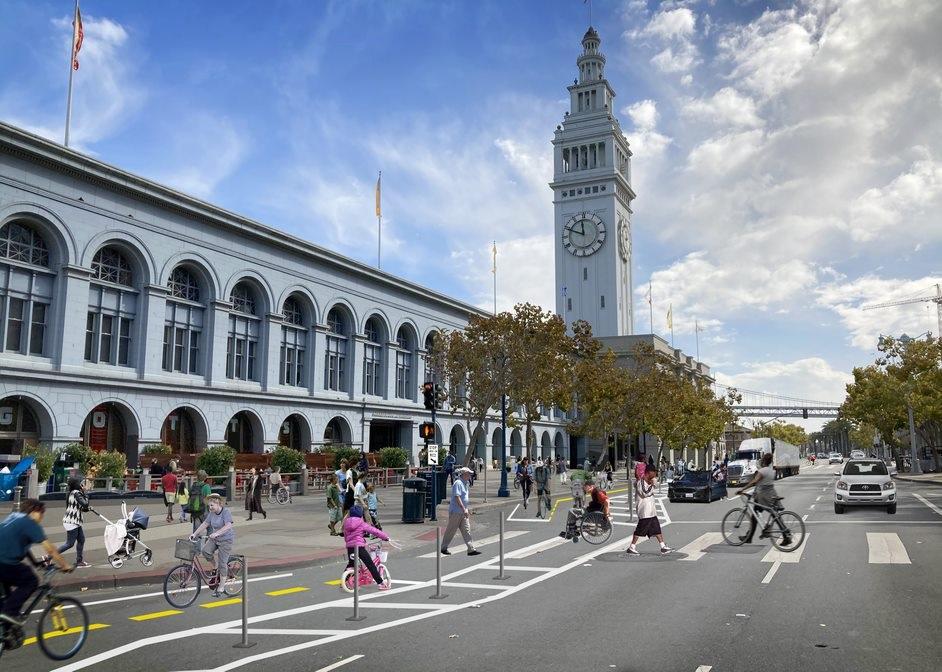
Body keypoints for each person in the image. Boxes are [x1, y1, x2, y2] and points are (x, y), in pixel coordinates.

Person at [0, 499, 72, 625]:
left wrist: (35, 563)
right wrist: (65, 565)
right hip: (4, 563)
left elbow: (20, 544)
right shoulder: (30, 523)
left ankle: (5, 632)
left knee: (7, 600)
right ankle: (9, 614)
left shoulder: (13, 517)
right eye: (41, 513)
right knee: (31, 581)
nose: (42, 517)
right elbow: (50, 549)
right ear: (34, 511)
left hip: (3, 563)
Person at [738, 453, 792, 546]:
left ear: (763, 461)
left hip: (763, 496)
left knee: (755, 515)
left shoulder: (762, 471)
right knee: (775, 516)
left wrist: (742, 489)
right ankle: (785, 536)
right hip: (772, 494)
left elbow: (754, 482)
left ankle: (749, 537)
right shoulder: (771, 471)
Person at [190, 494, 233, 597]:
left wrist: (217, 533)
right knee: (205, 551)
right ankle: (215, 565)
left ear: (218, 503)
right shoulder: (212, 513)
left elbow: (228, 525)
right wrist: (195, 534)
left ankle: (221, 586)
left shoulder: (226, 512)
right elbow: (205, 523)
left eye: (212, 505)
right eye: (209, 505)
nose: (210, 508)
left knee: (223, 563)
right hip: (215, 539)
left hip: (226, 540)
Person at [626, 467, 672, 555]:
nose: (655, 475)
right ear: (649, 472)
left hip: (651, 512)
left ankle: (663, 547)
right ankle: (632, 547)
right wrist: (653, 485)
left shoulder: (648, 482)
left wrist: (652, 484)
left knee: (657, 529)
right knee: (640, 529)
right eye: (654, 472)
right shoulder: (641, 482)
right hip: (645, 512)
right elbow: (645, 493)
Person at [342, 505, 390, 589]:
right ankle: (381, 583)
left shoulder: (346, 523)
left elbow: (345, 536)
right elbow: (374, 531)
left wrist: (348, 543)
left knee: (351, 564)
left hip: (350, 547)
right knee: (370, 564)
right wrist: (385, 537)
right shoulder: (361, 523)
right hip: (359, 547)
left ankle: (344, 582)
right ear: (361, 515)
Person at [440, 467, 480, 556]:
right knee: (451, 530)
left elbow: (464, 498)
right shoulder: (458, 483)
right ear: (464, 474)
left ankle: (471, 549)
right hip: (456, 511)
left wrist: (466, 509)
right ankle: (443, 547)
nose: (470, 475)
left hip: (463, 511)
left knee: (467, 530)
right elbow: (457, 497)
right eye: (469, 473)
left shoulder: (465, 483)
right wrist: (463, 508)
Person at [561, 478, 609, 542]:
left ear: (591, 486)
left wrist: (606, 514)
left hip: (592, 514)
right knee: (577, 509)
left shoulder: (597, 492)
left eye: (585, 487)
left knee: (571, 511)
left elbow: (607, 501)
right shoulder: (595, 491)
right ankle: (572, 528)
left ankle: (572, 529)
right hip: (592, 512)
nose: (584, 488)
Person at [57, 477, 91, 568]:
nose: (83, 485)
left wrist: (86, 509)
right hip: (72, 522)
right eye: (82, 483)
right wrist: (86, 493)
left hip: (74, 521)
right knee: (70, 543)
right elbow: (85, 504)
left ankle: (79, 561)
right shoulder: (77, 493)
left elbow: (78, 507)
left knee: (81, 540)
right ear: (78, 484)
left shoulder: (71, 493)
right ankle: (48, 557)